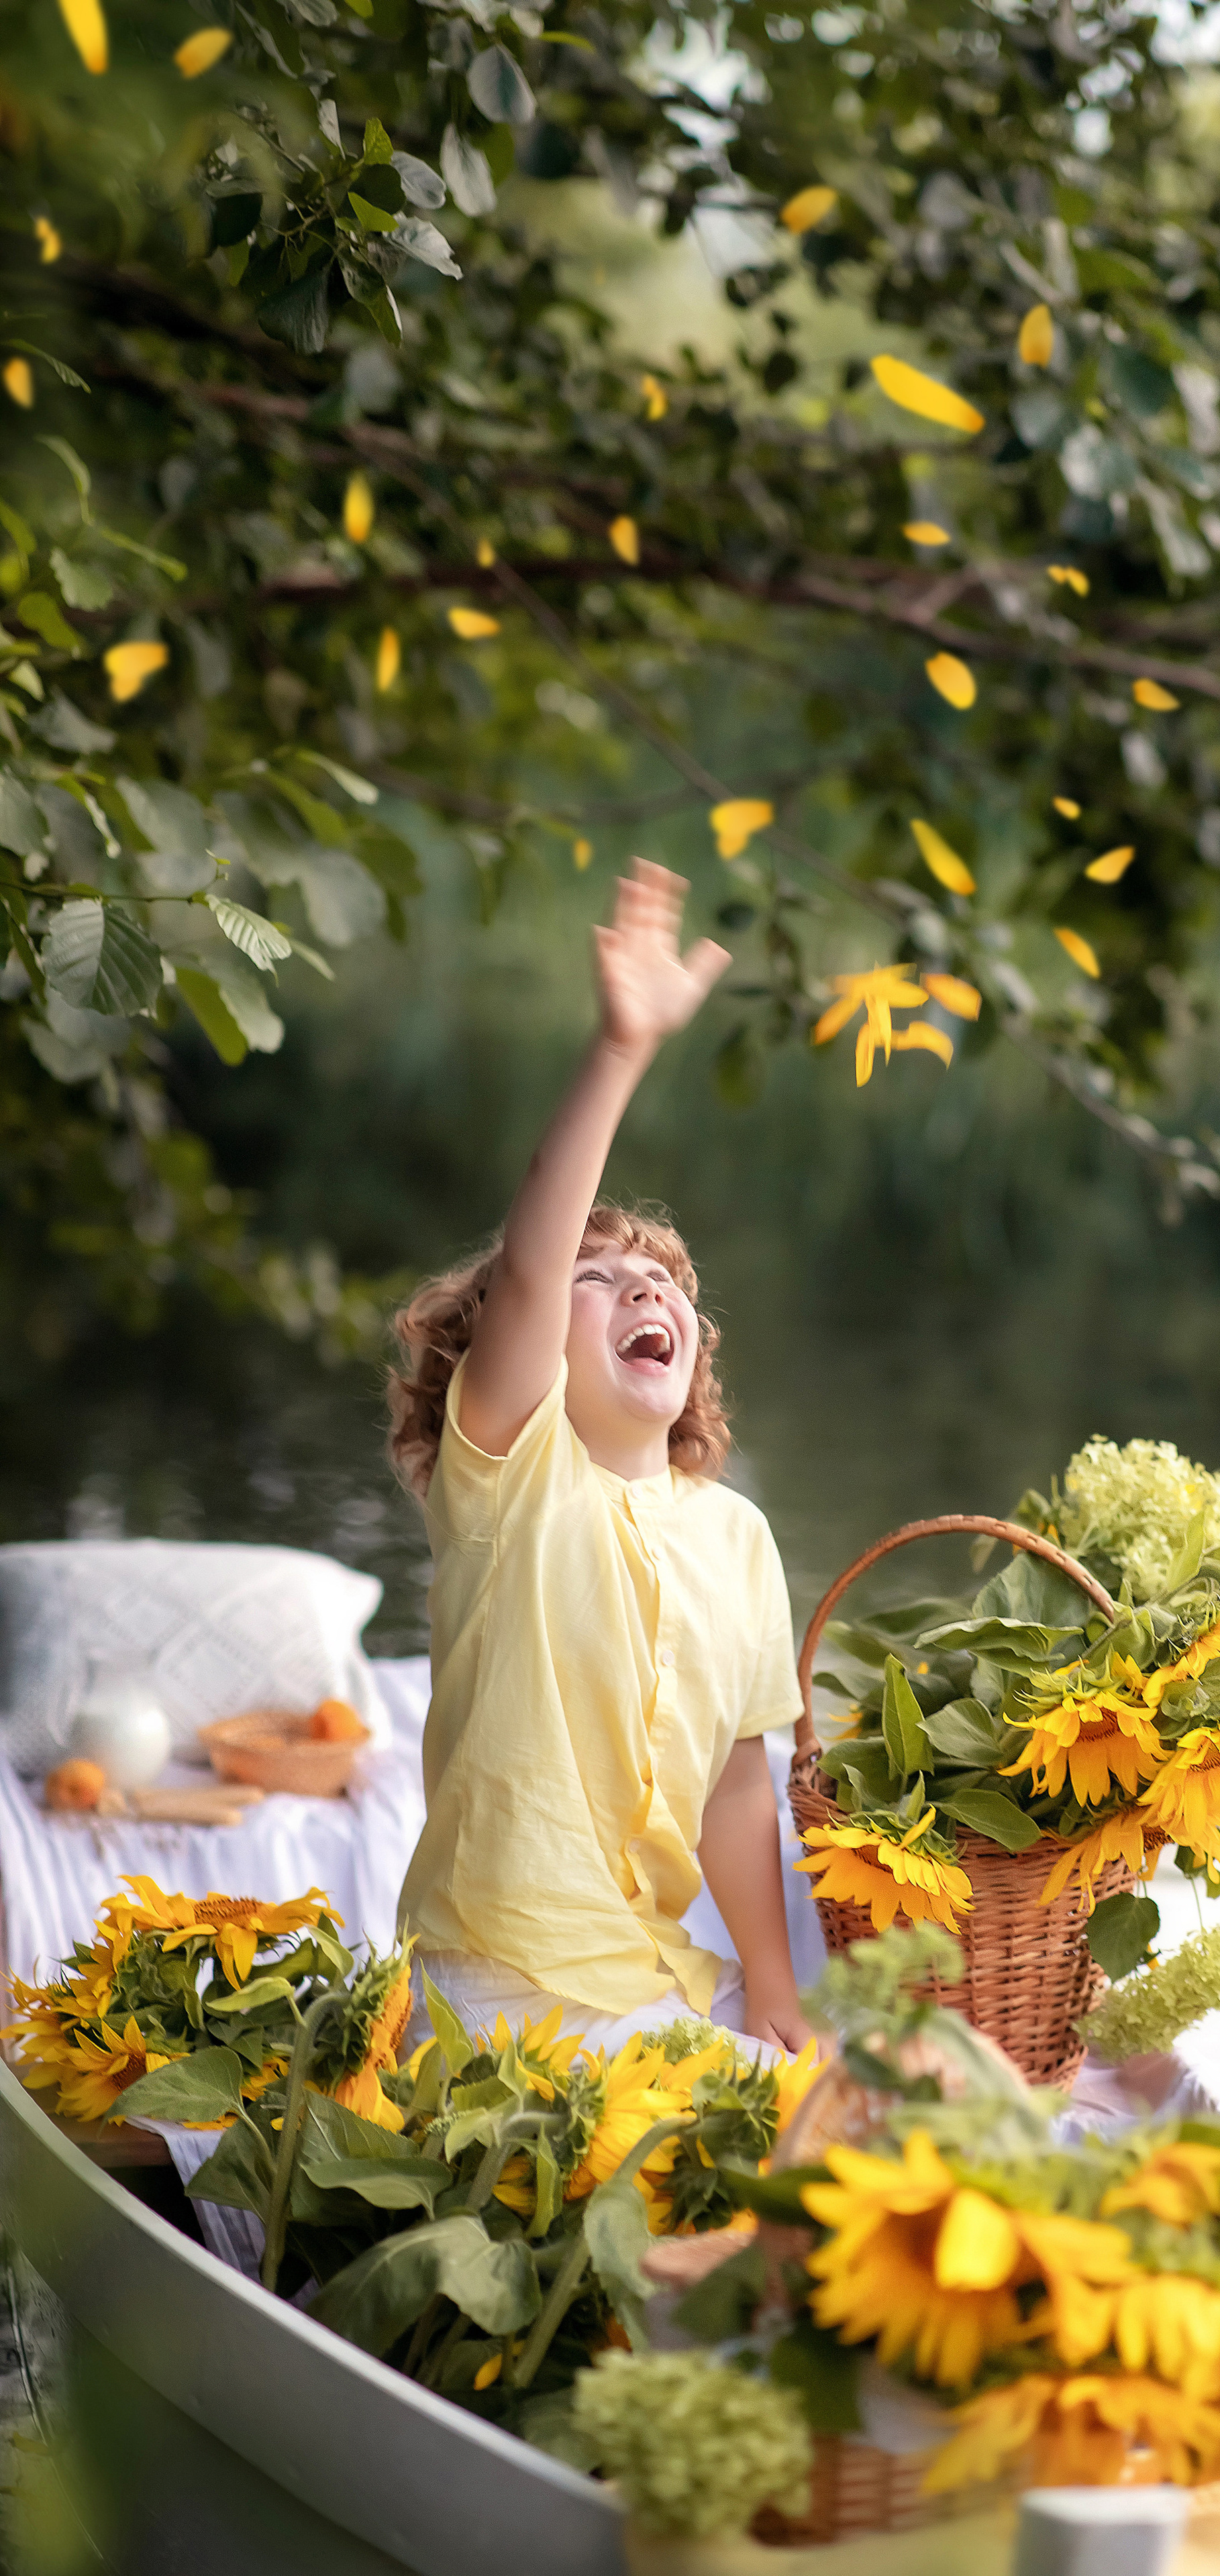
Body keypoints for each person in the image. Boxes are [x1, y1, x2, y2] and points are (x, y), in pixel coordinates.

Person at [386, 859, 811, 2055]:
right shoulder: (509, 1474)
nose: (644, 1285)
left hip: (660, 1973)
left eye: (666, 1282)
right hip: (499, 1984)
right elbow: (527, 1261)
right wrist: (622, 1047)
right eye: (601, 1277)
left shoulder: (739, 1537)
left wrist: (769, 1986)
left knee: (882, 2085)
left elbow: (738, 1785)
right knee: (787, 2155)